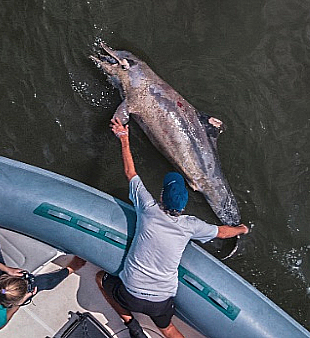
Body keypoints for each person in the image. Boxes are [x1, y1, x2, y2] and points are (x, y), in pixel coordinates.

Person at [96, 118, 249, 338]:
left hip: (131, 293)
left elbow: (131, 172)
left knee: (100, 279)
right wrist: (242, 229)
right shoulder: (190, 226)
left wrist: (124, 138)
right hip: (161, 300)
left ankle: (131, 323)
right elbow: (223, 232)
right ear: (185, 203)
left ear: (161, 196)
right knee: (168, 330)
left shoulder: (148, 208)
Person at [0, 227, 86, 331]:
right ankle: (71, 268)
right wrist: (19, 304)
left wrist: (7, 269)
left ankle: (68, 269)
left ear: (2, 280)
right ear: (10, 304)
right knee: (41, 283)